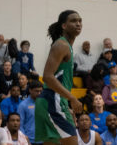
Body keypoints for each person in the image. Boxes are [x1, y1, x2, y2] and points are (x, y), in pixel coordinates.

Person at [36, 10, 84, 144]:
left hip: (51, 101)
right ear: (64, 25)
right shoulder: (61, 45)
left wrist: (66, 103)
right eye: (73, 21)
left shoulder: (66, 45)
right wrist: (72, 98)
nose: (78, 24)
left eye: (80, 21)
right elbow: (47, 77)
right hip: (52, 100)